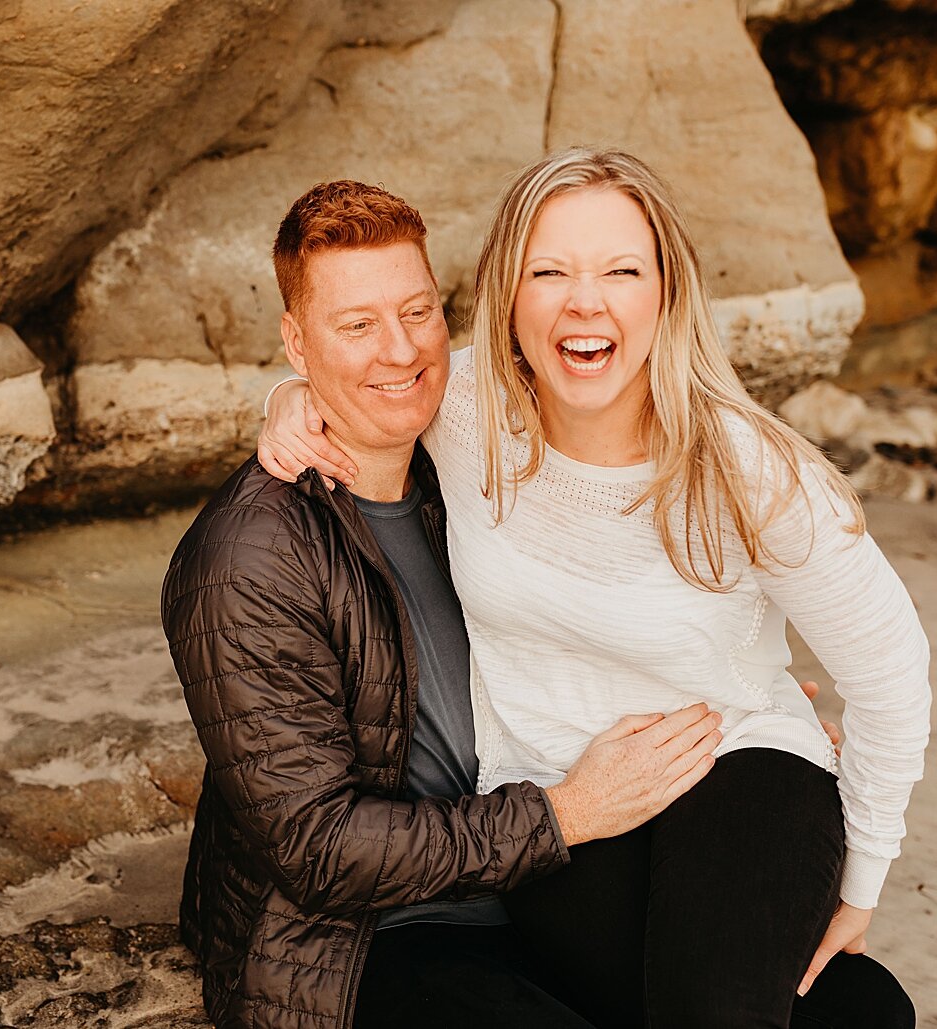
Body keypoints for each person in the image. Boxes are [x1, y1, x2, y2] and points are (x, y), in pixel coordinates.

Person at [259, 149, 932, 1028]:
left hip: (740, 772)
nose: (586, 300)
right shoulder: (463, 408)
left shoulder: (744, 468)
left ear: (665, 292)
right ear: (509, 295)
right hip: (563, 813)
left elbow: (890, 666)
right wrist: (286, 399)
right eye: (550, 271)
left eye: (621, 269)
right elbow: (357, 372)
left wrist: (864, 876)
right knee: (858, 1012)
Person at [161, 179, 731, 1029]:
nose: (398, 352)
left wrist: (739, 702)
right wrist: (567, 813)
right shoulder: (247, 557)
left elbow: (616, 602)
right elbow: (320, 851)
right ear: (296, 340)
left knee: (856, 1007)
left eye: (417, 312)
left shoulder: (469, 459)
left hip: (540, 883)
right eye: (355, 326)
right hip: (362, 940)